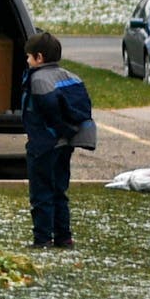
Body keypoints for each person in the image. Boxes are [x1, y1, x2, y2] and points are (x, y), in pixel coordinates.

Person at [21, 31, 97, 249]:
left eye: (29, 57)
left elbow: (49, 111)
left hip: (44, 144)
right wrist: (68, 133)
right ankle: (64, 238)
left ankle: (42, 239)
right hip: (65, 144)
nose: (27, 61)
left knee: (41, 193)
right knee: (59, 192)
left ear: (39, 57)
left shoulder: (39, 80)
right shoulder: (70, 76)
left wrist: (56, 131)